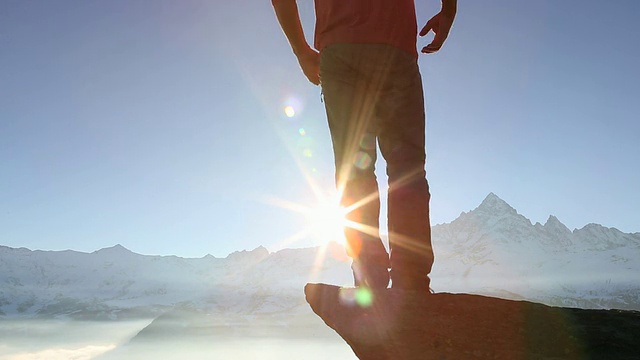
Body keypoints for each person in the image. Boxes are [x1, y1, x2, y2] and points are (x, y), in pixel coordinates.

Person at [272, 0, 456, 291]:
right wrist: (448, 11)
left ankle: (369, 277)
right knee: (406, 169)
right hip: (394, 44)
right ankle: (411, 281)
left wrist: (301, 50)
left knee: (354, 169)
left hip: (340, 47)